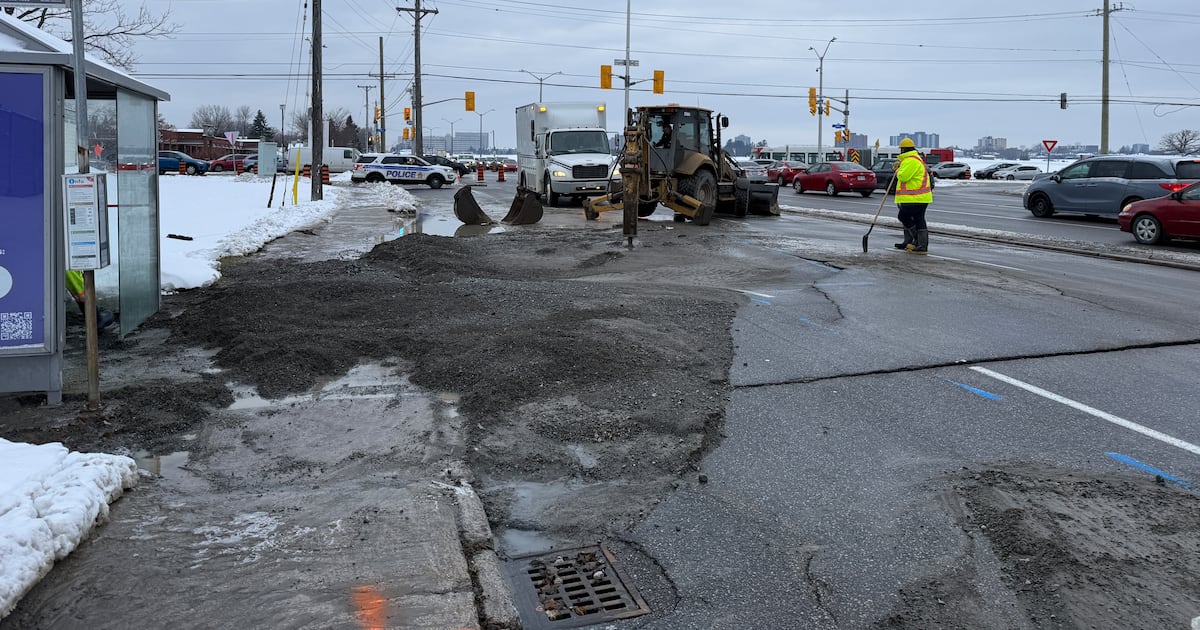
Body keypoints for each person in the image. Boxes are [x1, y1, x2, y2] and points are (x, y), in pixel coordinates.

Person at [893, 138, 933, 254]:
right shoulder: (914, 159)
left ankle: (919, 242)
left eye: (901, 149)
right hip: (919, 198)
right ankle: (915, 243)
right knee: (918, 219)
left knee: (903, 217)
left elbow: (904, 177)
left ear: (904, 149)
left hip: (914, 198)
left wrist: (898, 170)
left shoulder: (911, 160)